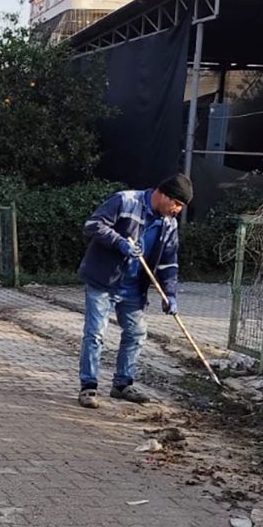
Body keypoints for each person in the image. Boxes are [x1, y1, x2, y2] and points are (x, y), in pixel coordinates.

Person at [76, 174, 191, 408]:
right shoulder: (125, 201)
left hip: (133, 287)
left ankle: (122, 384)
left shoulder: (169, 224)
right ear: (164, 195)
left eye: (181, 206)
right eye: (177, 204)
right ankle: (88, 387)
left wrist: (170, 294)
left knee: (136, 333)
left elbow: (169, 262)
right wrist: (119, 242)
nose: (178, 210)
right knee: (95, 334)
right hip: (103, 281)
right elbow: (93, 225)